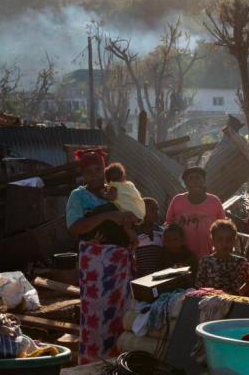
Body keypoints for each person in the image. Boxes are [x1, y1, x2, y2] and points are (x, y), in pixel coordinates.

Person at [65, 149, 140, 364]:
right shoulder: (78, 196)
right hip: (96, 265)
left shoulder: (117, 191)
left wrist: (129, 229)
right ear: (83, 175)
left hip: (120, 262)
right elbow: (75, 227)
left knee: (122, 313)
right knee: (96, 316)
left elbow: (135, 216)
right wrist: (108, 215)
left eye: (98, 169)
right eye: (88, 172)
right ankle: (94, 363)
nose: (94, 175)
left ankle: (120, 362)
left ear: (104, 169)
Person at [165, 167, 225, 259]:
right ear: (186, 183)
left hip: (209, 256)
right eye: (191, 178)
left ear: (204, 181)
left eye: (198, 178)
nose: (194, 181)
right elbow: (169, 224)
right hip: (183, 256)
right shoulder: (177, 200)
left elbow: (222, 227)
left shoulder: (214, 201)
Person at [196, 219, 249, 296]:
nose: (225, 243)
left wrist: (241, 291)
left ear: (235, 241)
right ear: (212, 241)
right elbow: (199, 286)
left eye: (229, 239)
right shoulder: (205, 262)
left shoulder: (241, 262)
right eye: (220, 239)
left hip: (234, 304)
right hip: (211, 304)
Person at [134, 198, 165, 277]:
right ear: (142, 211)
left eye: (157, 209)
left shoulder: (161, 232)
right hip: (140, 276)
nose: (156, 213)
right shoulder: (134, 232)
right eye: (152, 210)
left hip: (159, 275)